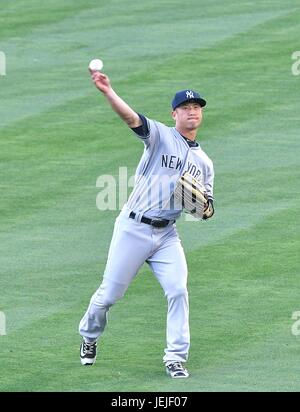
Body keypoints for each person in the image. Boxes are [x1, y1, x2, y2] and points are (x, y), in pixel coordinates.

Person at [79, 69, 215, 379]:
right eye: (185, 107)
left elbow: (207, 208)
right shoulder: (160, 136)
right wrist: (108, 92)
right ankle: (89, 336)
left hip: (167, 235)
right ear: (174, 114)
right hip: (133, 229)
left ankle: (176, 358)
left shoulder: (204, 163)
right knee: (109, 295)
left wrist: (200, 207)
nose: (192, 111)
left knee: (178, 290)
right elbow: (131, 119)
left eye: (196, 107)